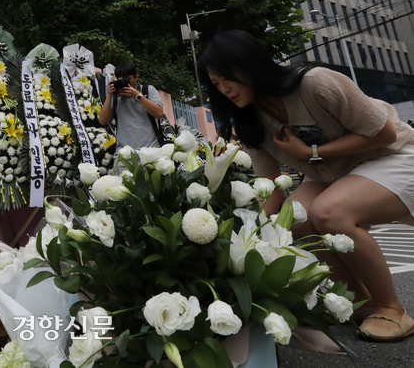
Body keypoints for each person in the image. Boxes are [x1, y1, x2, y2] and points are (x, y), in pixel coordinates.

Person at [198, 30, 414, 342]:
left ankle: (392, 309)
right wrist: (250, 235)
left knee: (330, 211)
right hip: (332, 174)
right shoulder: (248, 121)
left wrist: (311, 152)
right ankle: (361, 302)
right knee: (294, 219)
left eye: (227, 77)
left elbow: (385, 134)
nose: (224, 89)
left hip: (391, 155)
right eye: (215, 83)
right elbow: (271, 185)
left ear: (249, 64)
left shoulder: (316, 83)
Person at [98, 62, 164, 153]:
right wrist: (109, 96)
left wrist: (138, 96)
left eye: (128, 79)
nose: (125, 82)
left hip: (150, 152)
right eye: (121, 79)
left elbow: (159, 113)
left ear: (136, 77)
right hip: (124, 153)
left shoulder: (148, 91)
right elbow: (102, 121)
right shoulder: (116, 97)